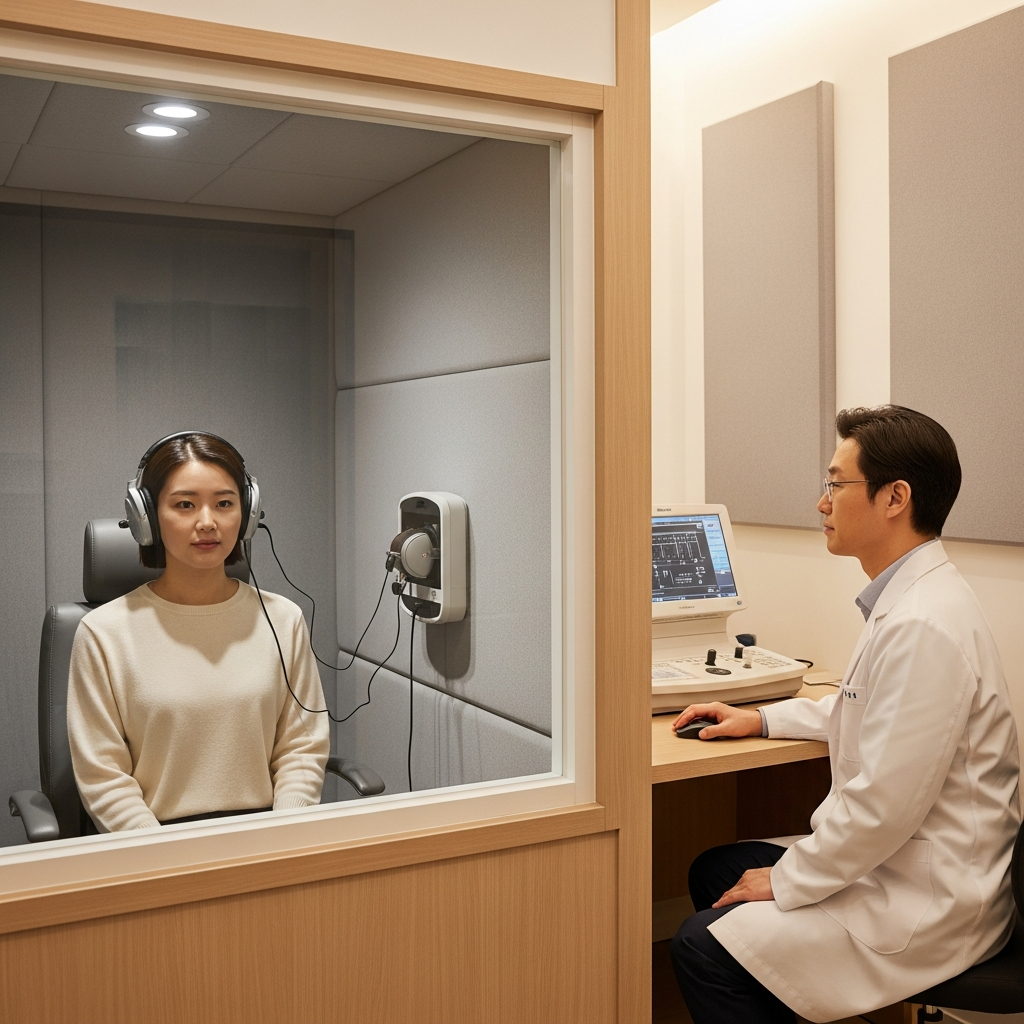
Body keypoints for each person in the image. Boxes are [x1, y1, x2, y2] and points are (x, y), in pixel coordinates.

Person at [669, 406, 1021, 1023]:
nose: (822, 503)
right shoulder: (912, 599)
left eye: (836, 484)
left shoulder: (923, 625)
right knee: (716, 872)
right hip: (903, 863)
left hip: (929, 901)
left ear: (895, 497)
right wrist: (764, 718)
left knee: (701, 948)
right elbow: (868, 709)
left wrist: (785, 881)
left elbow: (882, 806)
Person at [68, 432, 330, 831]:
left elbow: (302, 748)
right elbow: (103, 776)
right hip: (152, 849)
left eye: (224, 503)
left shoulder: (283, 619)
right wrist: (164, 859)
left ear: (248, 513)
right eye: (185, 505)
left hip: (267, 839)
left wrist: (283, 838)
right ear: (148, 517)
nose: (207, 522)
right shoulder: (103, 634)